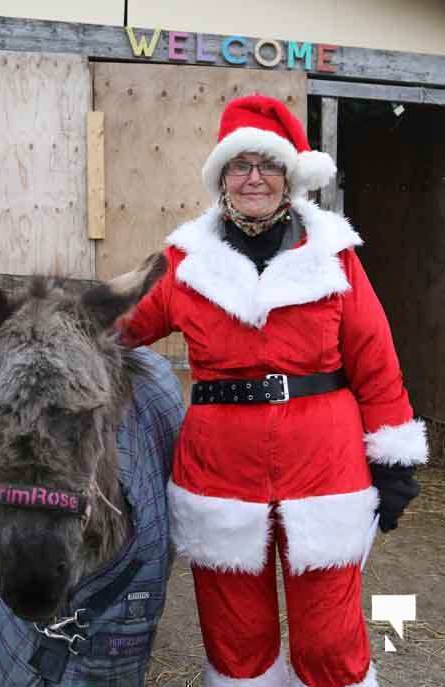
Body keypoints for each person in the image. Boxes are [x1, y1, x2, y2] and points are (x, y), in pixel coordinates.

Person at [123, 95, 426, 687]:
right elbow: (118, 325)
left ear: (289, 177)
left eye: (268, 165)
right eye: (241, 166)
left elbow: (376, 361)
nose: (254, 178)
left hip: (326, 472)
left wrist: (392, 461)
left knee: (329, 639)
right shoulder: (184, 264)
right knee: (235, 638)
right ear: (222, 178)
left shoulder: (332, 257)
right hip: (221, 476)